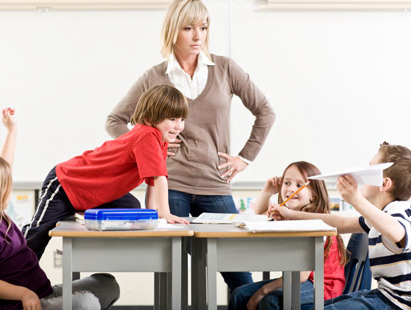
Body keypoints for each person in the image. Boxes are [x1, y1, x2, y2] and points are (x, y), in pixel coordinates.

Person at [105, 0, 276, 291]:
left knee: (238, 275)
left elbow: (265, 111)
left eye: (204, 28)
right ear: (173, 30)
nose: (198, 36)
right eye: (189, 28)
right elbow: (115, 121)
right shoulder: (155, 76)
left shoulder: (225, 68)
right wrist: (151, 147)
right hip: (171, 186)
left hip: (215, 185)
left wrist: (245, 158)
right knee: (174, 276)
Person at [23, 85, 190, 260]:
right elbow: (160, 178)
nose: (179, 126)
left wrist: (155, 217)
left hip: (94, 191)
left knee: (131, 207)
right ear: (149, 118)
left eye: (182, 119)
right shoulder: (147, 136)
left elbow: (153, 182)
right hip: (67, 182)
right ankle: (9, 274)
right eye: (172, 119)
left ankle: (82, 213)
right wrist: (165, 213)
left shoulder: (159, 140)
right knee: (37, 234)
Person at [269, 142, 411, 310]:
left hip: (398, 303)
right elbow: (341, 223)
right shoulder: (378, 216)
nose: (361, 177)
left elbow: (398, 232)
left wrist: (356, 200)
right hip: (384, 295)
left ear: (384, 184)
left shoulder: (398, 212)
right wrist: (291, 214)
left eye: (369, 170)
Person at [0, 154, 120, 310]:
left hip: (44, 292)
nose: (10, 190)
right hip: (23, 304)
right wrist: (25, 294)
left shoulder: (1, 217)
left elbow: (2, 165)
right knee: (87, 303)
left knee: (109, 284)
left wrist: (12, 132)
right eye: (7, 185)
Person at [229, 161, 347, 310]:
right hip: (301, 280)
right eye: (286, 183)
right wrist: (268, 191)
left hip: (322, 285)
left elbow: (302, 276)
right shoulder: (290, 216)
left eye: (299, 185)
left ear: (313, 195)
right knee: (239, 294)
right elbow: (260, 212)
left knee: (270, 299)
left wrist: (262, 291)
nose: (291, 189)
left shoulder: (313, 221)